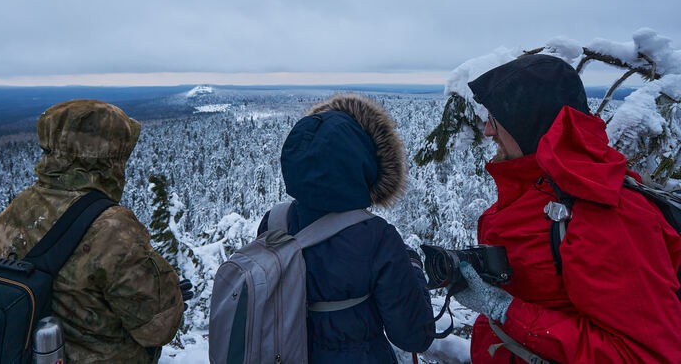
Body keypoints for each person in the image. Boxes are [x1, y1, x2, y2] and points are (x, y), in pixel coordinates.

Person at [455, 54, 681, 363]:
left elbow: (644, 355)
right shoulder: (536, 192)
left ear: (527, 123)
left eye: (496, 119)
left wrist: (508, 311)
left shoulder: (605, 214)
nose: (488, 131)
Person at [0, 99, 184, 363]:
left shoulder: (14, 211)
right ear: (109, 157)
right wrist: (167, 286)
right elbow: (158, 327)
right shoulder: (112, 227)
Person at [257, 94, 434, 362]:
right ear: (362, 164)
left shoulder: (274, 221)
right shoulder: (377, 237)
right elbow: (413, 335)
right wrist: (413, 270)